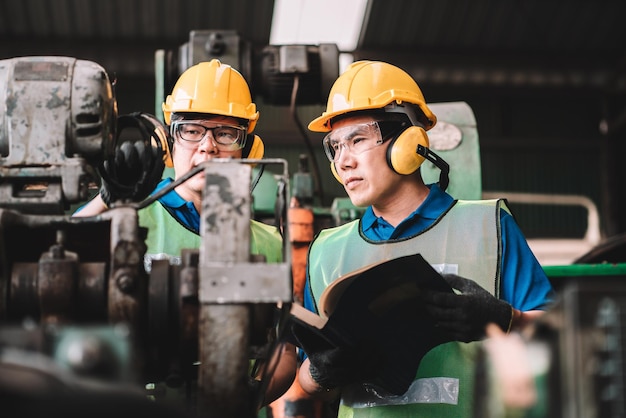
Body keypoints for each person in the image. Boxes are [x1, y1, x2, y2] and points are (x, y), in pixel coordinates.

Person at [294, 60, 554, 417]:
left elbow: (559, 337)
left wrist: (507, 320)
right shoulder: (326, 251)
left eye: (357, 140)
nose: (344, 161)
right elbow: (303, 383)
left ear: (408, 140)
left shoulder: (489, 225)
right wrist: (319, 373)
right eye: (335, 147)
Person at [74, 59, 296, 408]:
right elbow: (60, 254)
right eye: (192, 130)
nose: (208, 147)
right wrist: (106, 200)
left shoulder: (270, 245)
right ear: (170, 141)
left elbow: (288, 346)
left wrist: (250, 397)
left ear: (248, 148)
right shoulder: (125, 216)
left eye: (225, 133)